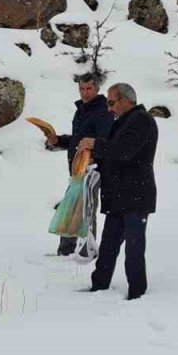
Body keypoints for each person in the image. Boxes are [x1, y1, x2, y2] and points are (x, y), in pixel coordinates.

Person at [77, 83, 157, 300]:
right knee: (108, 247)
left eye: (111, 102)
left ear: (125, 100)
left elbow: (124, 151)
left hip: (136, 196)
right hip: (119, 197)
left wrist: (96, 144)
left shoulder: (141, 120)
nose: (109, 108)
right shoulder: (122, 122)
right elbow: (113, 152)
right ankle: (99, 287)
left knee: (133, 248)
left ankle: (137, 293)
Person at [46, 72, 114, 256]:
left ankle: (86, 250)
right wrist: (58, 140)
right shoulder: (82, 110)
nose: (85, 93)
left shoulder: (103, 111)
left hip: (92, 169)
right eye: (82, 89)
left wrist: (93, 159)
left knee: (86, 209)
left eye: (89, 88)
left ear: (97, 89)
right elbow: (78, 140)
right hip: (77, 169)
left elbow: (105, 141)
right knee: (72, 207)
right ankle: (67, 250)